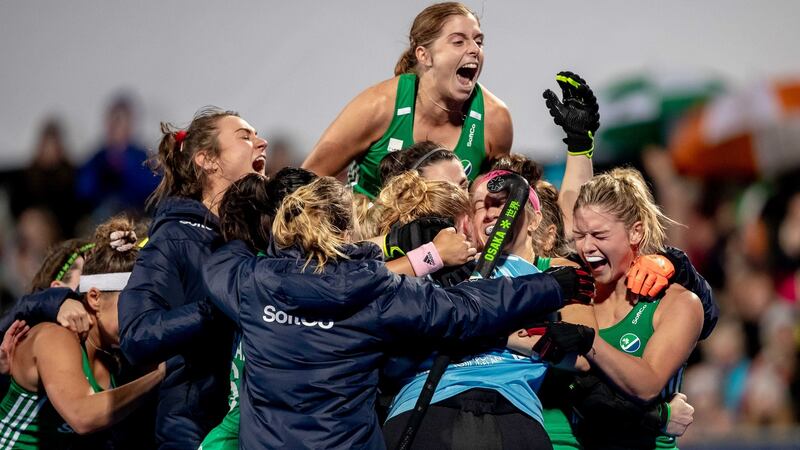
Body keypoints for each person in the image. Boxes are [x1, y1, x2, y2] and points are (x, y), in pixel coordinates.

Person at [203, 175, 591, 449]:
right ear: (347, 232)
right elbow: (463, 310)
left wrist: (257, 232)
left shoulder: (253, 283)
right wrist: (550, 286)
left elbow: (219, 262)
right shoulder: (373, 288)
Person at [382, 169, 594, 450]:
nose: (492, 213)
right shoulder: (437, 269)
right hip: (427, 406)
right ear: (467, 222)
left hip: (511, 408)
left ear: (535, 220)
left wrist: (484, 331)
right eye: (480, 205)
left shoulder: (551, 276)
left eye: (502, 203)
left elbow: (579, 357)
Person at [117, 106, 268, 448]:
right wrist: (218, 308)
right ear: (207, 160)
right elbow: (136, 334)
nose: (262, 143)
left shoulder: (258, 237)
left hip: (255, 432)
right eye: (245, 137)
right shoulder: (174, 237)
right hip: (190, 433)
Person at [528, 168, 705, 449]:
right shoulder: (571, 291)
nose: (587, 247)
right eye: (580, 235)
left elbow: (647, 385)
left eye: (599, 235)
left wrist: (589, 342)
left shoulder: (679, 303)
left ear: (636, 232)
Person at [303, 2, 512, 198]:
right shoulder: (378, 106)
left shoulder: (494, 118)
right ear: (424, 55)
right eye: (458, 42)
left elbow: (496, 203)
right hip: (367, 224)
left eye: (479, 41)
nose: (475, 49)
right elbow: (304, 182)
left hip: (449, 226)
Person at [0, 216, 165, 449]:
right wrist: (159, 375)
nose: (141, 316)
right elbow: (82, 416)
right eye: (132, 304)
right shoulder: (54, 336)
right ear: (95, 298)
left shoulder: (115, 361)